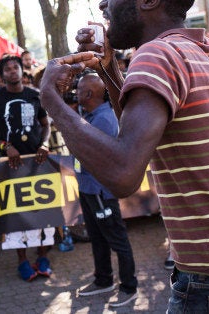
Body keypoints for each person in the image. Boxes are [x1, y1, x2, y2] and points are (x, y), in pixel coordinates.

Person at [41, 0, 209, 311]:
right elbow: (142, 132)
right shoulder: (203, 45)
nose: (102, 3)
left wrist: (53, 102)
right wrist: (109, 70)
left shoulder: (156, 54)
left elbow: (123, 175)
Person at [0, 55, 53, 282]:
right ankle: (22, 260)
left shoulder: (35, 95)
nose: (12, 71)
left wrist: (44, 143)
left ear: (23, 70)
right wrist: (6, 145)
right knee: (17, 213)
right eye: (7, 69)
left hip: (38, 162)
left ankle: (42, 257)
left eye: (16, 67)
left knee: (42, 210)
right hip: (11, 166)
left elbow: (46, 125)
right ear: (1, 75)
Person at [73, 73, 138, 306]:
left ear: (89, 94)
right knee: (98, 237)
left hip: (101, 191)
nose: (76, 92)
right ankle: (103, 280)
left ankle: (129, 287)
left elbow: (98, 157)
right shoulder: (89, 114)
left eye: (79, 89)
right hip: (88, 188)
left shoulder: (103, 119)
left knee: (116, 238)